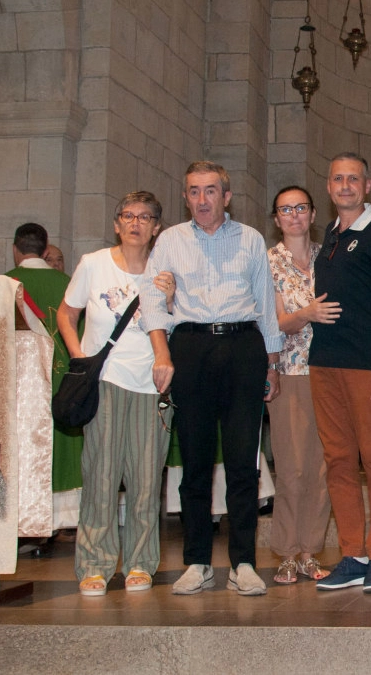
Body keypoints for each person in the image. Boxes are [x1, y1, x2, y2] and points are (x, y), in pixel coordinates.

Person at [139, 160, 283, 597]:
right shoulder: (169, 240)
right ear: (186, 197)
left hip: (243, 348)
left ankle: (243, 563)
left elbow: (265, 303)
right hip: (191, 348)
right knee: (196, 463)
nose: (202, 199)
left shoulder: (251, 239)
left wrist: (272, 364)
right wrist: (162, 354)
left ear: (226, 195)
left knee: (243, 463)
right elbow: (151, 300)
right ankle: (197, 561)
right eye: (194, 191)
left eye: (210, 190)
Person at [56, 192, 175, 596]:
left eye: (145, 217)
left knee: (144, 478)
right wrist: (79, 356)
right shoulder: (93, 264)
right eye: (128, 216)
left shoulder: (165, 271)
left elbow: (180, 324)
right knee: (101, 476)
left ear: (157, 226)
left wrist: (173, 296)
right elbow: (66, 313)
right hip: (104, 381)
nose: (136, 223)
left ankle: (141, 563)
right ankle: (95, 564)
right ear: (116, 224)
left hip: (151, 385)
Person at [310, 153, 371, 593]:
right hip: (324, 364)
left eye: (353, 179)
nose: (345, 185)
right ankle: (352, 554)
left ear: (367, 186)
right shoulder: (329, 236)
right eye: (337, 179)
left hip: (369, 367)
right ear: (328, 187)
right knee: (339, 461)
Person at [266, 186, 334, 585]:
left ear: (312, 213)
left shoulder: (328, 256)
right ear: (276, 219)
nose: (294, 215)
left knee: (322, 468)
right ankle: (287, 552)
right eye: (285, 209)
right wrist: (307, 313)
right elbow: (274, 323)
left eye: (301, 208)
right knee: (291, 467)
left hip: (328, 372)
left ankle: (310, 551)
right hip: (289, 372)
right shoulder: (269, 262)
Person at [6, 223, 84, 535]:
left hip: (19, 388)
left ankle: (23, 523)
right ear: (46, 249)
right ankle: (62, 520)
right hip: (64, 383)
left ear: (15, 249)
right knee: (64, 444)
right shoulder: (71, 285)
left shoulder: (4, 286)